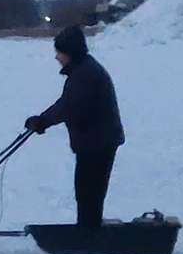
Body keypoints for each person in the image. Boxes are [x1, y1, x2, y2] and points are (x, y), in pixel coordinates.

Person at [24, 25, 125, 230]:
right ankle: (89, 228)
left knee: (89, 190)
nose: (56, 57)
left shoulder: (86, 74)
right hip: (96, 140)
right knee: (88, 190)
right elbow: (66, 103)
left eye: (59, 52)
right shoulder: (83, 70)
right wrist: (42, 120)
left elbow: (69, 107)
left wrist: (42, 121)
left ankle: (89, 231)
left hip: (98, 141)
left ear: (71, 52)